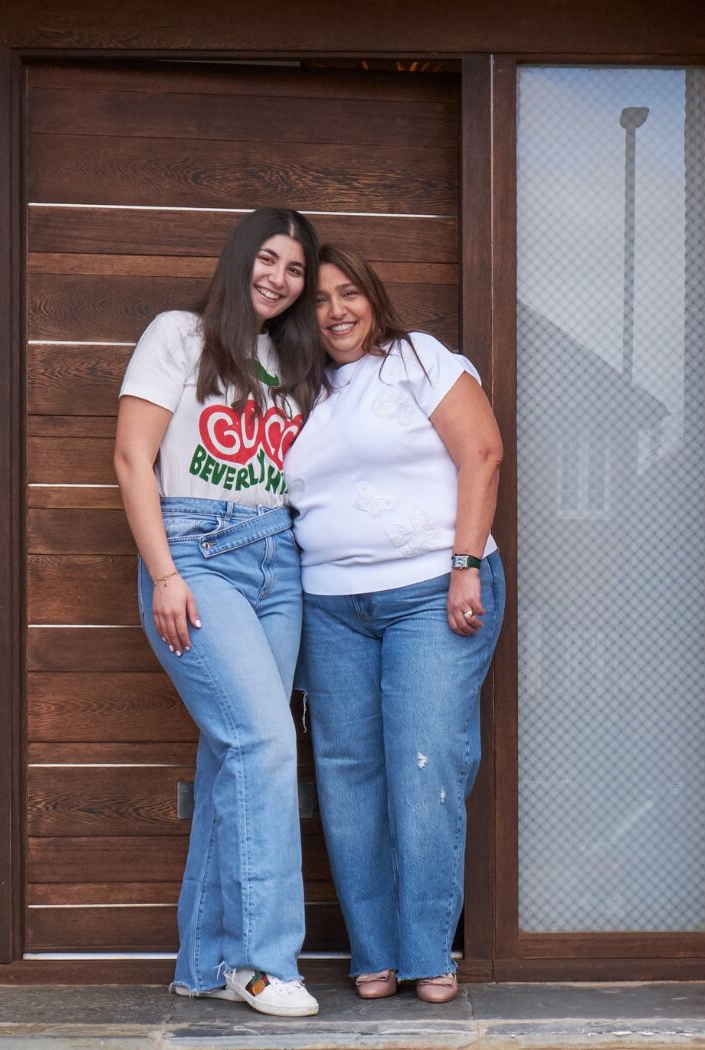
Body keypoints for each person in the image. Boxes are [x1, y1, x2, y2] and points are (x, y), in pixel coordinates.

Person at [112, 207, 325, 1018]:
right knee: (267, 742)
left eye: (295, 269)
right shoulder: (180, 333)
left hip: (280, 559)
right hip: (196, 552)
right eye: (267, 260)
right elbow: (134, 458)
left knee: (233, 753)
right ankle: (262, 962)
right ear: (240, 261)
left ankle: (203, 962)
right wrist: (165, 575)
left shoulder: (289, 360)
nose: (278, 277)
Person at [284, 244, 505, 1004]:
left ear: (374, 298)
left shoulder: (417, 359)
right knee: (346, 778)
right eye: (318, 299)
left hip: (430, 592)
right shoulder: (295, 393)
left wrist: (466, 563)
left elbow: (481, 451)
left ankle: (427, 952)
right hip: (330, 605)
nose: (336, 310)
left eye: (349, 294)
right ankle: (373, 953)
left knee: (425, 764)